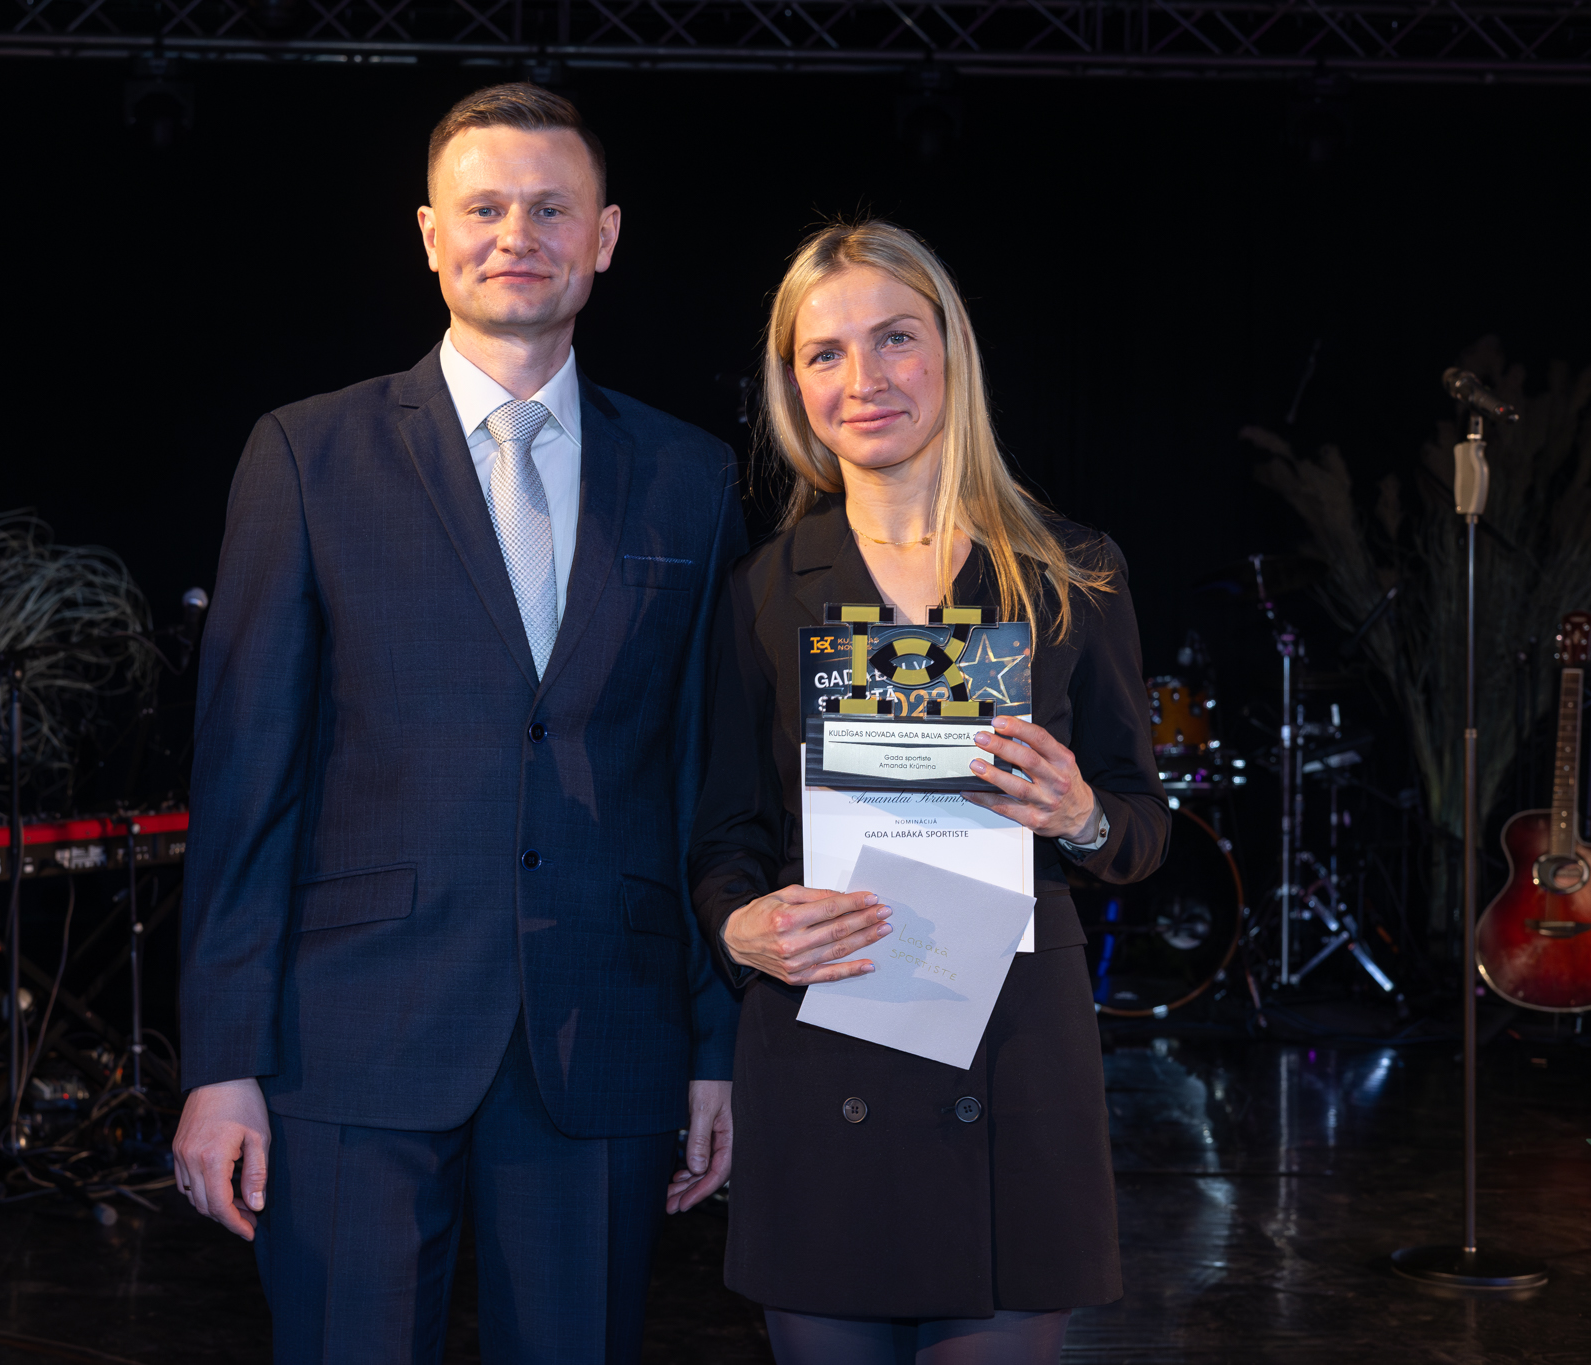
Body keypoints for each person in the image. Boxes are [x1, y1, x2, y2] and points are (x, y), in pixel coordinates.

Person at [174, 83, 747, 1363]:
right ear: (430, 235)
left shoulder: (689, 477)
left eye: (550, 208)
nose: (515, 236)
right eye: (483, 209)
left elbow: (703, 783)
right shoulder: (306, 456)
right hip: (348, 1036)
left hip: (605, 1032)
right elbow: (247, 782)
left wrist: (716, 1047)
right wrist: (220, 1060)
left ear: (604, 236)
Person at [688, 221, 1169, 1364]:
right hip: (826, 1043)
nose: (863, 378)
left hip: (1013, 1060)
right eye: (824, 353)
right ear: (793, 387)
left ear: (950, 351)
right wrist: (737, 927)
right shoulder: (759, 590)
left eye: (894, 338)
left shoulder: (1069, 573)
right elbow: (722, 835)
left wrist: (1081, 817)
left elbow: (1141, 827)